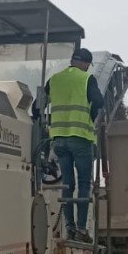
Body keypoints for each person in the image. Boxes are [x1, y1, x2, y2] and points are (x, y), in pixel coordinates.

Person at [47, 48, 104, 243]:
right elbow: (99, 101)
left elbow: (39, 103)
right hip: (80, 138)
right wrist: (92, 115)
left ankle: (69, 228)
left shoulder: (54, 79)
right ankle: (81, 228)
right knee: (84, 183)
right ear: (85, 63)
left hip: (59, 140)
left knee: (67, 184)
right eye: (87, 64)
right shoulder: (87, 79)